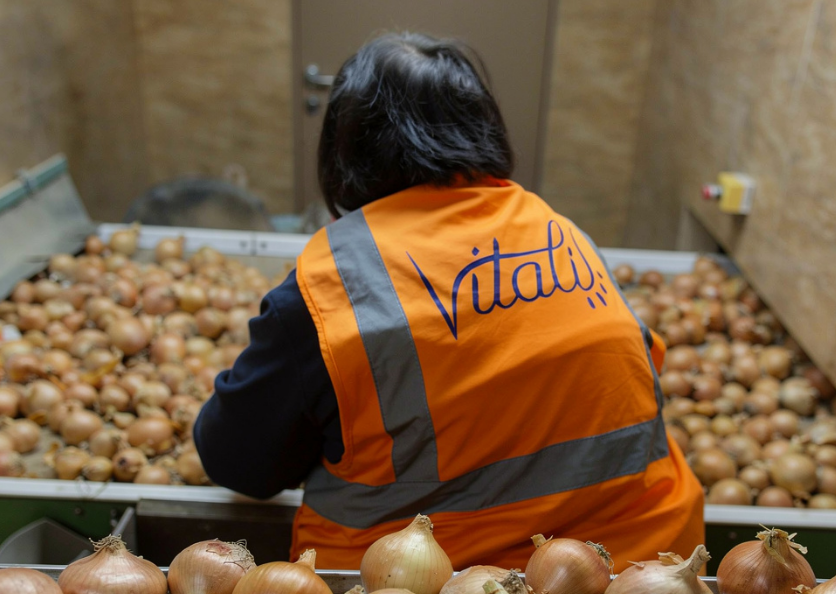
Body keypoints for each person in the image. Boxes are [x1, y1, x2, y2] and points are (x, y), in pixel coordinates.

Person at [192, 31, 704, 572]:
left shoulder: (329, 288)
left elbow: (239, 463)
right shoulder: (562, 234)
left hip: (440, 578)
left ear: (345, 147)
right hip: (648, 566)